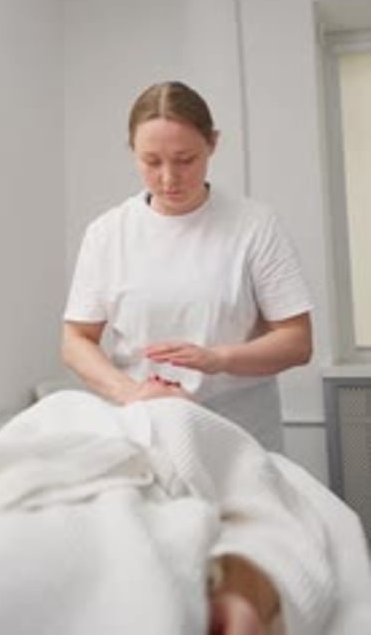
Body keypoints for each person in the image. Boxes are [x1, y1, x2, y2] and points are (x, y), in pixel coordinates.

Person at [62, 80, 312, 452]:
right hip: (144, 431)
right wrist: (131, 394)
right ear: (133, 151)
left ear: (212, 143)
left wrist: (220, 358)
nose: (168, 178)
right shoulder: (107, 233)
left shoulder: (254, 226)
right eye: (151, 161)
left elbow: (297, 341)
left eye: (185, 160)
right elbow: (76, 340)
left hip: (239, 437)